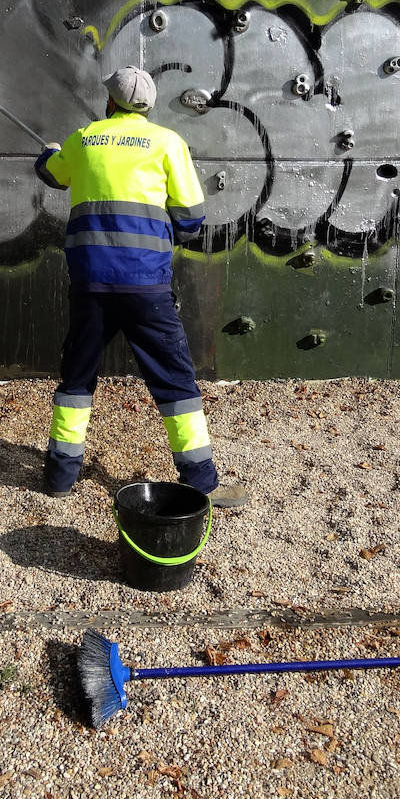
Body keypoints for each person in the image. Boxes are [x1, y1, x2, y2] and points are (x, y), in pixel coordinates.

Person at [34, 65, 247, 508]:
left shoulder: (84, 138)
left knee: (77, 378)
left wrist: (49, 154)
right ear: (147, 106)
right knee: (175, 382)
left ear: (109, 101)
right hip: (146, 287)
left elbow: (53, 174)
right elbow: (190, 219)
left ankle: (59, 476)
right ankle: (201, 481)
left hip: (90, 284)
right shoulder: (167, 143)